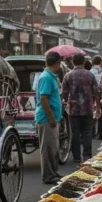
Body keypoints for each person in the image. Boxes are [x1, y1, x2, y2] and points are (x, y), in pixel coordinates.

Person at [61, 53, 100, 163]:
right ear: (83, 62)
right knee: (87, 133)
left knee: (75, 133)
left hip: (73, 110)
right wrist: (97, 108)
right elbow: (96, 92)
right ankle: (87, 155)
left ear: (72, 62)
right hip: (87, 108)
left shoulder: (67, 75)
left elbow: (64, 93)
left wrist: (65, 101)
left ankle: (77, 157)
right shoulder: (90, 75)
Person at [36, 52, 63, 184]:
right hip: (46, 119)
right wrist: (51, 118)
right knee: (47, 149)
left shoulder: (51, 76)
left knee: (53, 148)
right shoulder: (46, 77)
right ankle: (48, 175)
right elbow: (43, 99)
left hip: (53, 118)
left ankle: (54, 172)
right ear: (57, 63)